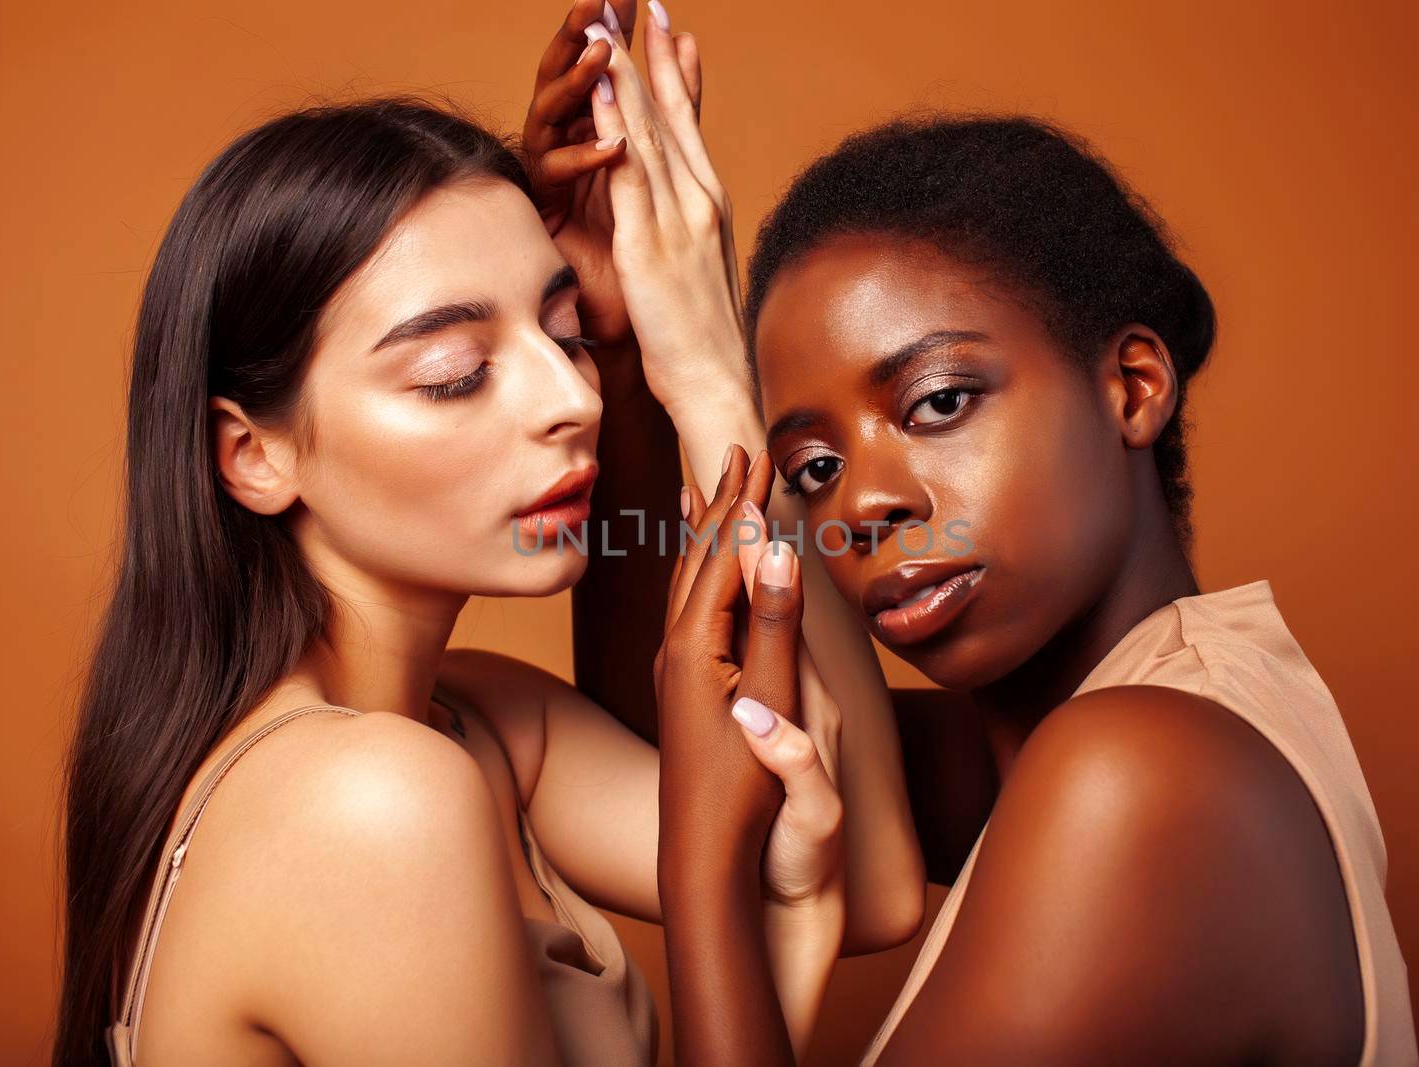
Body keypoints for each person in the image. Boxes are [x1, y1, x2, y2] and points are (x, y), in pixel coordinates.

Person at [53, 4, 927, 1064]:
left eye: (566, 335)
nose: (572, 397)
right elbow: (787, 896)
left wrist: (691, 359)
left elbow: (872, 880)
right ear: (252, 454)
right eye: (453, 374)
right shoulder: (365, 805)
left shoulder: (482, 727)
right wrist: (730, 905)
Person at [619, 47, 1419, 1065]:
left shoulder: (1138, 775)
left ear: (1131, 387)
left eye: (940, 402)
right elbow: (679, 732)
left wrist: (704, 878)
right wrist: (633, 351)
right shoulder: (1125, 723)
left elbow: (705, 797)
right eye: (812, 466)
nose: (863, 502)